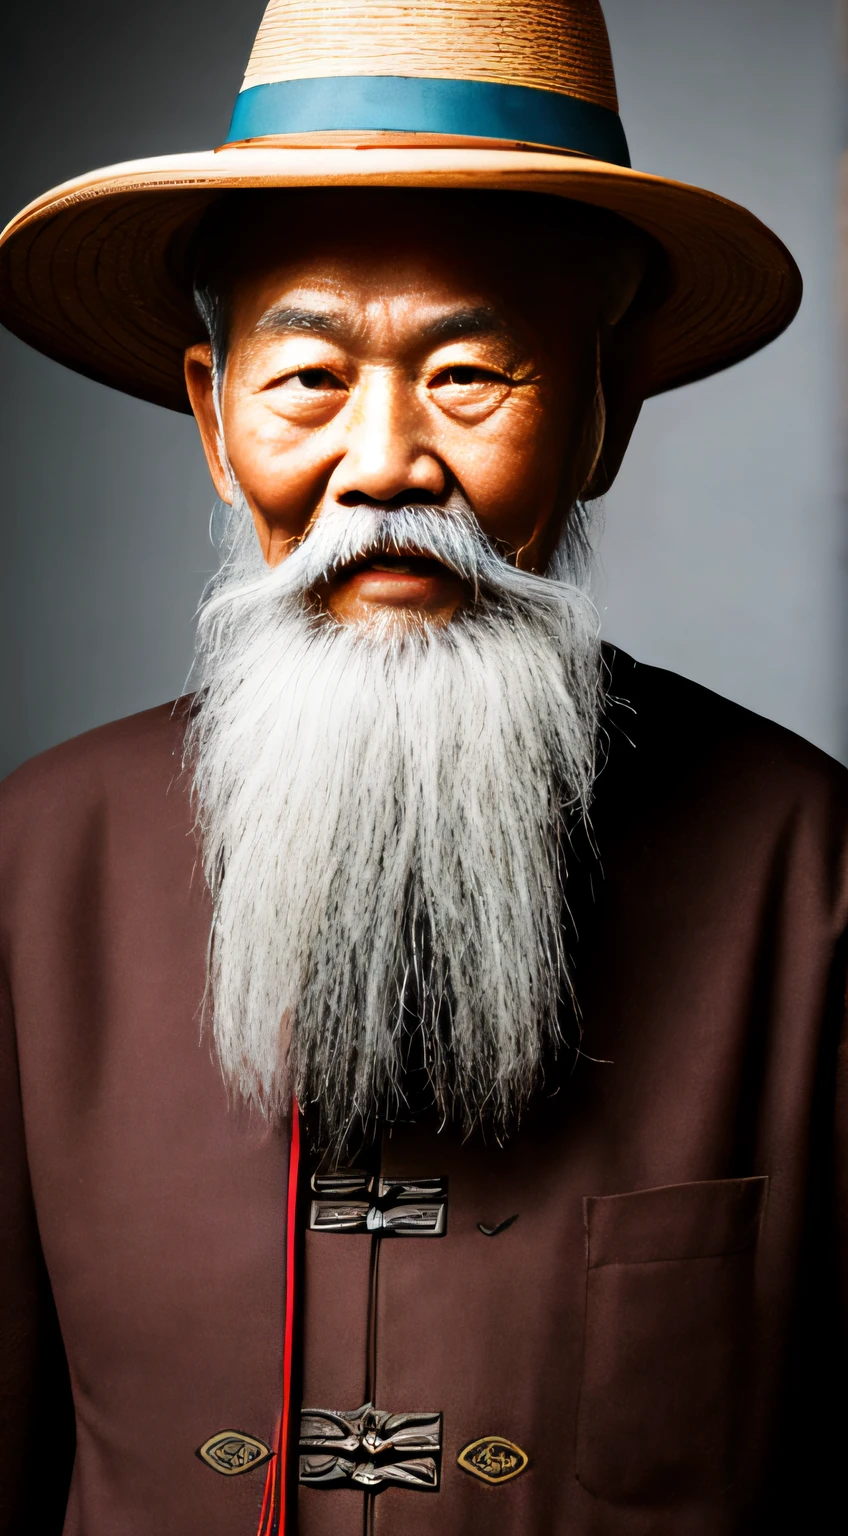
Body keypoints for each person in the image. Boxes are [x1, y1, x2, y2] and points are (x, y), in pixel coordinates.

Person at [0, 2, 842, 1533]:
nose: (385, 462)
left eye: (471, 375)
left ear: (605, 418)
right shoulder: (32, 864)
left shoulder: (809, 867)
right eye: (308, 380)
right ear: (210, 415)